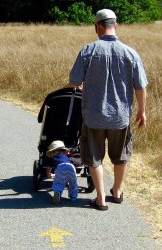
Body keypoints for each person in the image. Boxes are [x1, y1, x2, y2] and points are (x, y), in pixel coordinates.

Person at [68, 9, 148, 210]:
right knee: (120, 155)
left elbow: (74, 81)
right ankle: (117, 191)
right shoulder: (131, 53)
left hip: (93, 116)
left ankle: (101, 198)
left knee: (94, 156)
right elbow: (140, 87)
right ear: (116, 25)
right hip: (120, 117)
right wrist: (142, 111)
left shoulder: (88, 50)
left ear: (98, 26)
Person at [46, 140, 78, 205]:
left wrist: (49, 175)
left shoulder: (54, 159)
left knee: (59, 182)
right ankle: (73, 197)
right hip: (71, 167)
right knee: (73, 183)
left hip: (61, 168)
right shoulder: (66, 157)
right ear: (63, 151)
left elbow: (48, 168)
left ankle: (58, 191)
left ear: (53, 152)